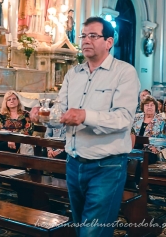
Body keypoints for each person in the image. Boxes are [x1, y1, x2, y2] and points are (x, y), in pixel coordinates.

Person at [59, 16, 140, 236]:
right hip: (74, 163)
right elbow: (60, 108)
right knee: (81, 228)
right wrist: (44, 115)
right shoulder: (73, 74)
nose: (86, 40)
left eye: (93, 36)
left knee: (92, 233)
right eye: (83, 36)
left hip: (107, 166)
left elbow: (123, 119)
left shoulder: (125, 73)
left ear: (109, 42)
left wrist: (85, 116)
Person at [131, 95, 166, 164]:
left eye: (152, 105)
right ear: (143, 107)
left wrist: (156, 148)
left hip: (150, 151)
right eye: (147, 105)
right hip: (133, 148)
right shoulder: (136, 118)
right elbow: (130, 133)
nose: (149, 107)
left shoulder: (161, 121)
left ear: (155, 107)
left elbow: (164, 140)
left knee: (140, 161)